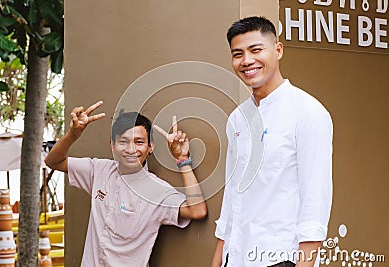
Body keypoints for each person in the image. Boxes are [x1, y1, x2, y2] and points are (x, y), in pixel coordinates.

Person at [211, 16, 333, 267]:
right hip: (235, 258)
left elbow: (315, 206)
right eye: (238, 54)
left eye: (256, 50)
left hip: (279, 258)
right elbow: (232, 199)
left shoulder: (308, 112)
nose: (247, 61)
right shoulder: (237, 119)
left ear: (278, 50)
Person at [44, 101, 207, 267]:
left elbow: (197, 210)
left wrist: (182, 160)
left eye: (138, 142)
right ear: (112, 145)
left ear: (150, 147)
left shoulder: (156, 190)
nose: (130, 149)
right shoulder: (99, 170)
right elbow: (53, 161)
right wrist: (73, 134)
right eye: (123, 141)